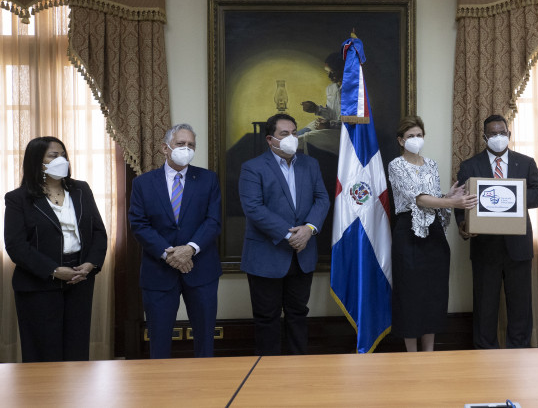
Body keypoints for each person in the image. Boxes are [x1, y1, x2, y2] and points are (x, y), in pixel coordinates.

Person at [4, 136, 107, 362]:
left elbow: (98, 232)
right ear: (37, 162)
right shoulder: (18, 198)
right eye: (53, 155)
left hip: (79, 278)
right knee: (44, 352)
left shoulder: (81, 189)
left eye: (63, 155)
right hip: (38, 283)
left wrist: (90, 264)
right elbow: (16, 245)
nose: (61, 160)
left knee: (76, 350)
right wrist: (54, 270)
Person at [128, 124, 222, 358]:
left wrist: (190, 249)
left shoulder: (208, 179)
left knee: (205, 341)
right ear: (165, 148)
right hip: (159, 271)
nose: (186, 149)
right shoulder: (143, 183)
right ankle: (160, 382)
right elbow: (139, 224)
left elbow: (213, 221)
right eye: (181, 144)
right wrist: (169, 254)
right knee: (159, 342)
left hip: (201, 270)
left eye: (191, 145)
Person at [239, 113, 330, 355]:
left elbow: (322, 199)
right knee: (267, 317)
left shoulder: (310, 164)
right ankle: (268, 371)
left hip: (303, 255)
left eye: (294, 132)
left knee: (298, 314)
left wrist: (309, 229)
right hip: (266, 255)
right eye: (284, 134)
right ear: (270, 139)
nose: (292, 138)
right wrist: (290, 235)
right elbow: (253, 208)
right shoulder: (252, 168)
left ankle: (298, 367)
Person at [455, 114, 538, 349]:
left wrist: (511, 194)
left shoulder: (525, 163)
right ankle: (485, 354)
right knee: (485, 307)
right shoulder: (469, 166)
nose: (498, 137)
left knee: (520, 306)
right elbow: (460, 204)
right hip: (485, 247)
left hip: (518, 247)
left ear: (509, 134)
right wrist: (463, 226)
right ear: (484, 137)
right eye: (493, 134)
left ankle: (519, 353)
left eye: (502, 133)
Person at [387, 116, 477, 352]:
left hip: (434, 233)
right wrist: (453, 203)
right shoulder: (396, 165)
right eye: (410, 136)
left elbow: (434, 200)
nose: (416, 140)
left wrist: (448, 197)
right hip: (408, 232)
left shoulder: (431, 165)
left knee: (434, 292)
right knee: (410, 292)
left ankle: (429, 353)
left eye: (419, 135)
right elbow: (418, 199)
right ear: (401, 140)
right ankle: (412, 354)